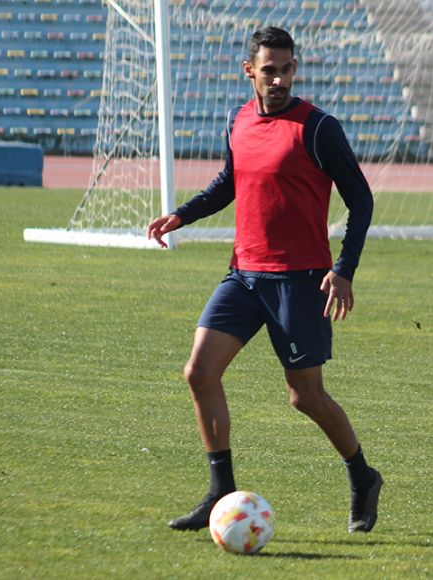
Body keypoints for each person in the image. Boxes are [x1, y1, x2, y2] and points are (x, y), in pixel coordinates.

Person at [147, 26, 381, 534]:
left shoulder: (318, 128)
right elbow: (229, 183)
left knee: (305, 397)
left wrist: (344, 270)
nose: (278, 78)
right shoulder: (238, 121)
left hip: (301, 282)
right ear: (249, 71)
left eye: (287, 68)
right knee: (199, 372)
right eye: (269, 69)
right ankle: (219, 494)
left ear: (295, 69)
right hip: (244, 276)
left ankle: (363, 476)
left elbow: (360, 199)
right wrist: (180, 217)